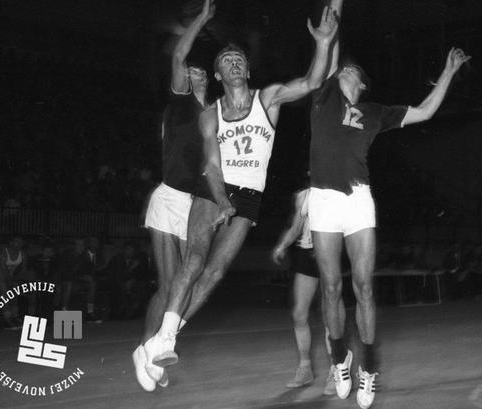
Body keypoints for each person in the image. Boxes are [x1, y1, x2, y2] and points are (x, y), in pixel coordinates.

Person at [144, 4, 339, 380]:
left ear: (247, 70)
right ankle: (165, 340)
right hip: (213, 190)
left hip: (250, 195)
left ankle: (162, 338)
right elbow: (213, 166)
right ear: (218, 74)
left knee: (215, 273)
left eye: (239, 59)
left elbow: (312, 82)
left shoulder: (269, 98)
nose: (234, 62)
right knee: (195, 260)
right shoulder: (209, 114)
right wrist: (220, 201)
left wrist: (324, 43)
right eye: (227, 59)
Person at [308, 1, 470, 407]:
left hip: (358, 198)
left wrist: (448, 72)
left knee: (363, 286)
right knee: (330, 288)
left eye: (351, 71)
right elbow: (333, 37)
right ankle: (338, 357)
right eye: (340, 68)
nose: (343, 70)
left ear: (361, 84)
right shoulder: (324, 95)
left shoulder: (377, 112)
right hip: (324, 198)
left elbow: (427, 111)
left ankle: (368, 368)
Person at [133, 0, 215, 392]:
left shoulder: (212, 117)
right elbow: (181, 51)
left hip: (194, 206)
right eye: (190, 69)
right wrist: (201, 18)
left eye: (200, 70)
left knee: (187, 282)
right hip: (168, 198)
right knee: (169, 286)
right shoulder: (180, 101)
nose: (193, 71)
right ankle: (146, 352)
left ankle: (152, 348)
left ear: (208, 80)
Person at [271, 184, 346, 395]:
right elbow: (295, 227)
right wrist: (282, 245)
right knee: (298, 314)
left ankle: (336, 368)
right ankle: (305, 369)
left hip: (330, 253)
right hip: (305, 255)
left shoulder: (339, 192)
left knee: (329, 315)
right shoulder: (303, 195)